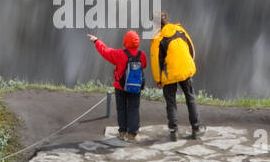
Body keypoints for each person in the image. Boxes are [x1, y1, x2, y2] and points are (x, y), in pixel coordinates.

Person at [86, 30, 147, 141]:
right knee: (134, 109)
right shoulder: (141, 55)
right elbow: (145, 65)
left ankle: (122, 132)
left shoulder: (119, 54)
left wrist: (96, 41)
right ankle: (133, 134)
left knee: (121, 108)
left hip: (120, 87)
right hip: (136, 87)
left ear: (125, 41)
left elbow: (105, 51)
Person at [151, 11, 202, 140]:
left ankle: (173, 132)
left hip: (169, 75)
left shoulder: (157, 39)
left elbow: (155, 61)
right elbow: (191, 48)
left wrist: (158, 80)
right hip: (185, 69)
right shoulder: (180, 30)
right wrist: (190, 64)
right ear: (166, 19)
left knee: (171, 102)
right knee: (190, 98)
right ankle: (196, 129)